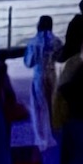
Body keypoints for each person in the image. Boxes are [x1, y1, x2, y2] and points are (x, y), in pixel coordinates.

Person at [22, 14, 57, 153]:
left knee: (39, 107)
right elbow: (60, 57)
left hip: (39, 75)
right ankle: (53, 134)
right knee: (51, 105)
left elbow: (29, 62)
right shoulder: (56, 41)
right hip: (52, 74)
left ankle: (42, 138)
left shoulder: (33, 42)